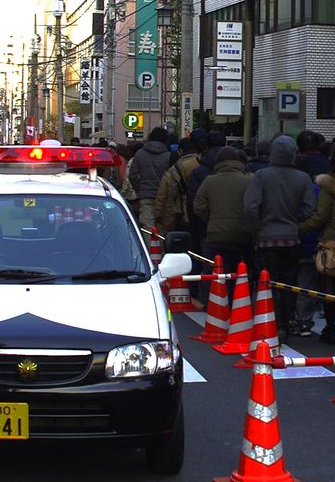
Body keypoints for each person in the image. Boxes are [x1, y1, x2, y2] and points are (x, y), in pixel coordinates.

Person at [243, 136, 315, 336]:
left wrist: (256, 227)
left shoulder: (261, 176)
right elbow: (310, 208)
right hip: (292, 238)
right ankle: (286, 321)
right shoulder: (303, 178)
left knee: (267, 283)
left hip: (266, 237)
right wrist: (295, 219)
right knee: (289, 284)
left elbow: (250, 207)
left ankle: (270, 323)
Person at [296, 141, 335, 346]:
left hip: (332, 239)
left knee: (330, 288)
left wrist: (300, 227)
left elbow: (321, 215)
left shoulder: (328, 183)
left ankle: (330, 328)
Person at [192, 146, 257, 276]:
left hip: (215, 235)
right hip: (242, 236)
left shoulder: (209, 181)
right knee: (239, 277)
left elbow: (198, 207)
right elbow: (253, 207)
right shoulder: (249, 181)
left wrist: (212, 219)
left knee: (215, 275)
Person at [127, 127, 176, 234]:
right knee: (162, 227)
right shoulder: (168, 156)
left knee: (147, 228)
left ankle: (149, 249)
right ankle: (162, 249)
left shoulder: (140, 154)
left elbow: (132, 175)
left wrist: (139, 190)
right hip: (164, 197)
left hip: (145, 196)